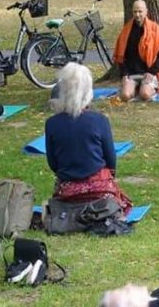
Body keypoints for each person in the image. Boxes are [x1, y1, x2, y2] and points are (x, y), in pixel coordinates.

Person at [45, 63, 132, 218]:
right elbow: (110, 161)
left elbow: (53, 163)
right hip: (99, 191)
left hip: (67, 191)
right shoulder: (99, 120)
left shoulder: (52, 123)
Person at [113, 0, 159, 102]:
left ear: (146, 11)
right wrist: (124, 74)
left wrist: (151, 72)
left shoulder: (155, 30)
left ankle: (144, 89)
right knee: (125, 96)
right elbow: (121, 57)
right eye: (135, 12)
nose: (137, 15)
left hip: (148, 73)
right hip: (131, 74)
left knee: (145, 95)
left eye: (140, 11)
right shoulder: (126, 31)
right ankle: (134, 88)